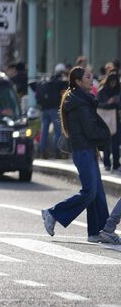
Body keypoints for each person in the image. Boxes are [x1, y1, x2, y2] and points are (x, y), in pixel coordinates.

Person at [42, 66, 113, 242]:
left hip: (87, 149)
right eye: (88, 77)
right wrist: (106, 133)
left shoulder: (82, 99)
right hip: (83, 151)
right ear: (79, 82)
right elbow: (90, 130)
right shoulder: (80, 102)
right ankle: (53, 213)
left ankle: (98, 232)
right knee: (89, 192)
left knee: (98, 193)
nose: (92, 79)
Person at [37, 65, 69, 157]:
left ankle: (42, 150)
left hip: (44, 109)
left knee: (44, 130)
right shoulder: (61, 81)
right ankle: (57, 151)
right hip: (54, 109)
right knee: (57, 130)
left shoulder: (47, 80)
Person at [97, 71, 120, 172]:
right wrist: (108, 103)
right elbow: (98, 105)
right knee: (106, 143)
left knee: (116, 143)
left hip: (117, 120)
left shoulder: (119, 90)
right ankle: (107, 163)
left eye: (115, 82)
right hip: (105, 119)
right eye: (111, 82)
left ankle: (116, 164)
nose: (113, 84)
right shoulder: (102, 91)